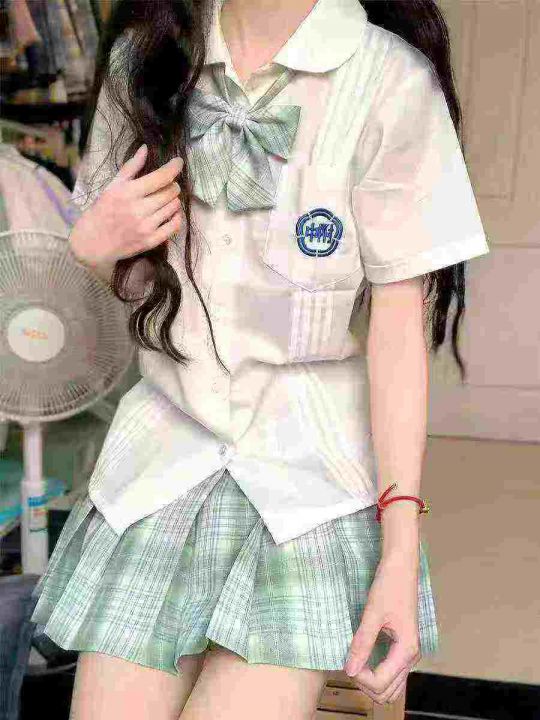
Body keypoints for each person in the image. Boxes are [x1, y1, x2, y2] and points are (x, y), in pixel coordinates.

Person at [29, 1, 490, 718]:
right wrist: (90, 250)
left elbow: (400, 336)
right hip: (157, 471)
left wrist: (399, 553)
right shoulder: (143, 62)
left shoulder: (391, 80)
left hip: (309, 485)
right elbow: (92, 321)